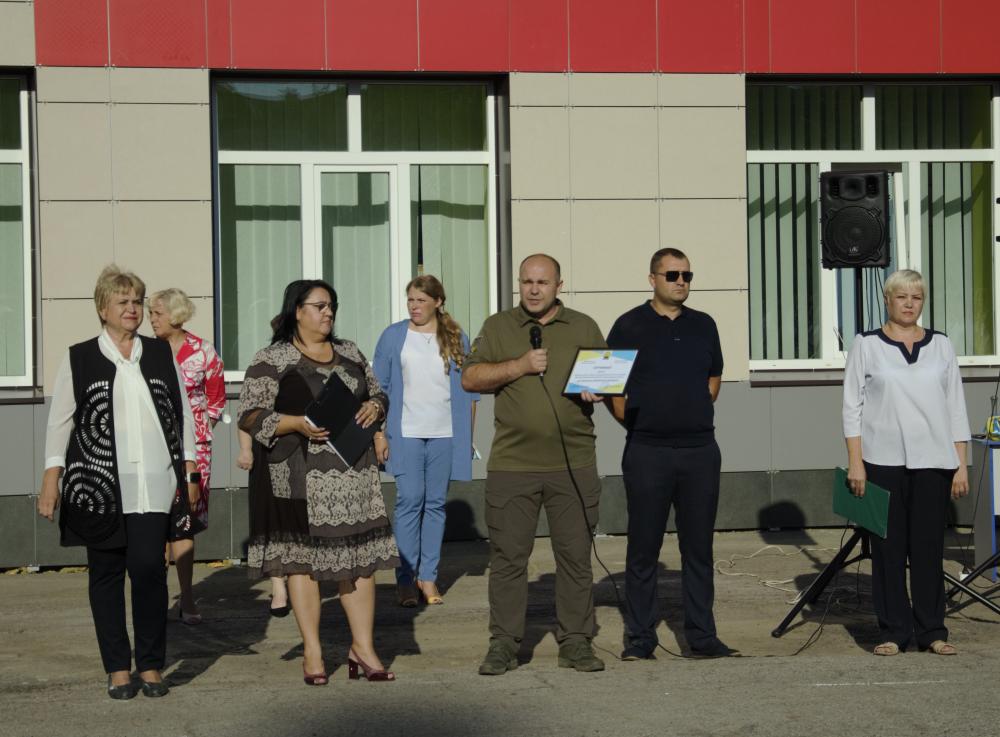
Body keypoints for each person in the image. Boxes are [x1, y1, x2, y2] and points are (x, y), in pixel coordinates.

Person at [37, 265, 200, 700]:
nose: (132, 309)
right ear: (102, 308)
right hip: (100, 486)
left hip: (153, 483)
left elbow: (183, 414)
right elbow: (60, 422)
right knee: (106, 575)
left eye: (136, 301)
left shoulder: (160, 353)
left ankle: (150, 664)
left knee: (149, 570)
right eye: (122, 301)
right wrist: (51, 479)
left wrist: (190, 469)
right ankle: (117, 667)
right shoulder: (80, 357)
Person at [238, 279, 399, 685]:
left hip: (353, 475)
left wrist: (374, 407)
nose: (329, 313)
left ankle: (363, 649)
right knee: (303, 564)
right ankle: (312, 651)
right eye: (320, 306)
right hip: (298, 478)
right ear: (297, 310)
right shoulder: (272, 358)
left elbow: (380, 394)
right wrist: (295, 423)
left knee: (359, 563)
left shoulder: (350, 352)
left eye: (332, 306)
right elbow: (251, 415)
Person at [462, 254, 607, 675]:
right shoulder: (499, 326)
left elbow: (605, 377)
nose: (533, 289)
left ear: (559, 285)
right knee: (509, 559)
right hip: (513, 465)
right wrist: (519, 366)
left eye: (542, 282)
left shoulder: (583, 326)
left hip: (573, 462)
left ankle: (576, 642)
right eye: (527, 281)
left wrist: (597, 390)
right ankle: (504, 644)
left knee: (575, 558)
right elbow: (470, 378)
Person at [606, 247, 731, 660]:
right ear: (652, 279)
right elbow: (610, 387)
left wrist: (694, 409)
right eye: (672, 274)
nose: (681, 282)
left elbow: (714, 377)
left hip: (699, 452)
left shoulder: (704, 324)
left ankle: (702, 635)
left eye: (687, 275)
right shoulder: (628, 325)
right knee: (643, 549)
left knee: (699, 549)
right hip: (648, 452)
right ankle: (641, 638)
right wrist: (638, 421)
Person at [843, 268, 970, 656]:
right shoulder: (866, 345)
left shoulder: (941, 345)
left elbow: (955, 406)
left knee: (928, 550)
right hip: (882, 462)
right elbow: (852, 407)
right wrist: (856, 463)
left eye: (916, 297)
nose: (909, 304)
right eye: (902, 296)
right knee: (888, 552)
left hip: (934, 462)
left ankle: (932, 631)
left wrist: (960, 463)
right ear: (887, 300)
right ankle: (893, 631)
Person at [373, 275, 479, 608]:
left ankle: (428, 576)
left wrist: (468, 438)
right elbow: (378, 389)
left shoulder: (456, 337)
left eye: (421, 300)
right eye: (411, 300)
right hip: (405, 433)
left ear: (438, 302)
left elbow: (469, 392)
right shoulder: (393, 336)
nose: (414, 306)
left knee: (435, 504)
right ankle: (405, 579)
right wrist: (378, 433)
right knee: (409, 500)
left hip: (445, 433)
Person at [148, 288, 225, 625]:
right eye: (151, 314)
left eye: (157, 313)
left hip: (197, 449)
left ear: (175, 315)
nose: (151, 320)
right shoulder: (145, 351)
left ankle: (187, 597)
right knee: (154, 519)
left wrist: (197, 435)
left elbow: (216, 402)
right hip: (153, 445)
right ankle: (156, 597)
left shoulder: (203, 351)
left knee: (185, 521)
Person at [236, 428, 290, 617]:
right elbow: (245, 415)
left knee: (300, 516)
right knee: (269, 514)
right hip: (267, 445)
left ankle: (300, 579)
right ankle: (278, 586)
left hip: (305, 444)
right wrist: (245, 448)